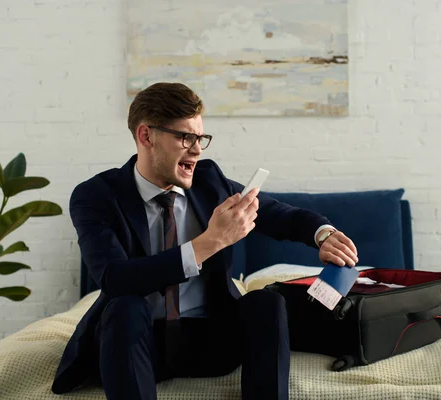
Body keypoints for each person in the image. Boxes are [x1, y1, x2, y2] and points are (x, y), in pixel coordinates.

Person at [51, 82, 359, 400]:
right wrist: (210, 242)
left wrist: (324, 234)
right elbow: (114, 279)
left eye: (200, 138)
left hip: (211, 342)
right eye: (185, 137)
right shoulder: (97, 196)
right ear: (146, 136)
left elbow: (280, 214)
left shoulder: (209, 182)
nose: (197, 150)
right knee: (124, 307)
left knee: (266, 302)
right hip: (138, 342)